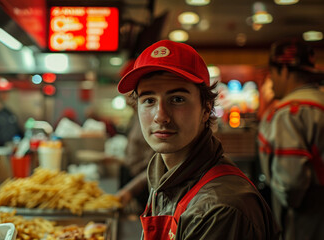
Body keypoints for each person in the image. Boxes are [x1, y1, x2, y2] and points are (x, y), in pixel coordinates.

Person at [117, 39, 280, 239]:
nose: (161, 115)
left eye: (177, 99)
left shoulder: (221, 209)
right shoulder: (164, 179)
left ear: (206, 109)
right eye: (149, 100)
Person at [257, 38, 324, 240]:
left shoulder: (289, 112)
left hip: (306, 224)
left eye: (272, 73)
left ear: (284, 70)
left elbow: (291, 184)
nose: (271, 80)